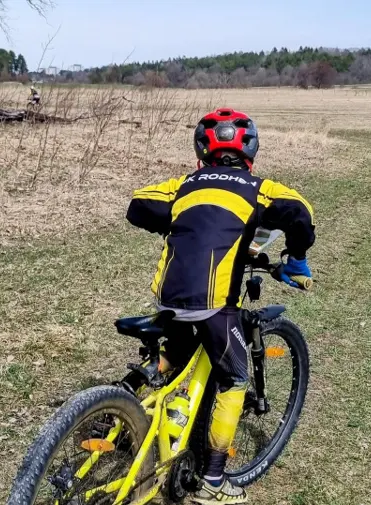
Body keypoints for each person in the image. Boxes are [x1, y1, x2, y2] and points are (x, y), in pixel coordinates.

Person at [126, 108, 315, 504]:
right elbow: (301, 213)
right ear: (251, 153)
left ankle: (120, 401)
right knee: (234, 379)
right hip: (213, 303)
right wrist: (296, 260)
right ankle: (213, 481)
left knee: (175, 351)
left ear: (202, 153)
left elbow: (138, 205)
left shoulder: (184, 184)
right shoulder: (258, 188)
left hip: (168, 294)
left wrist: (188, 225)